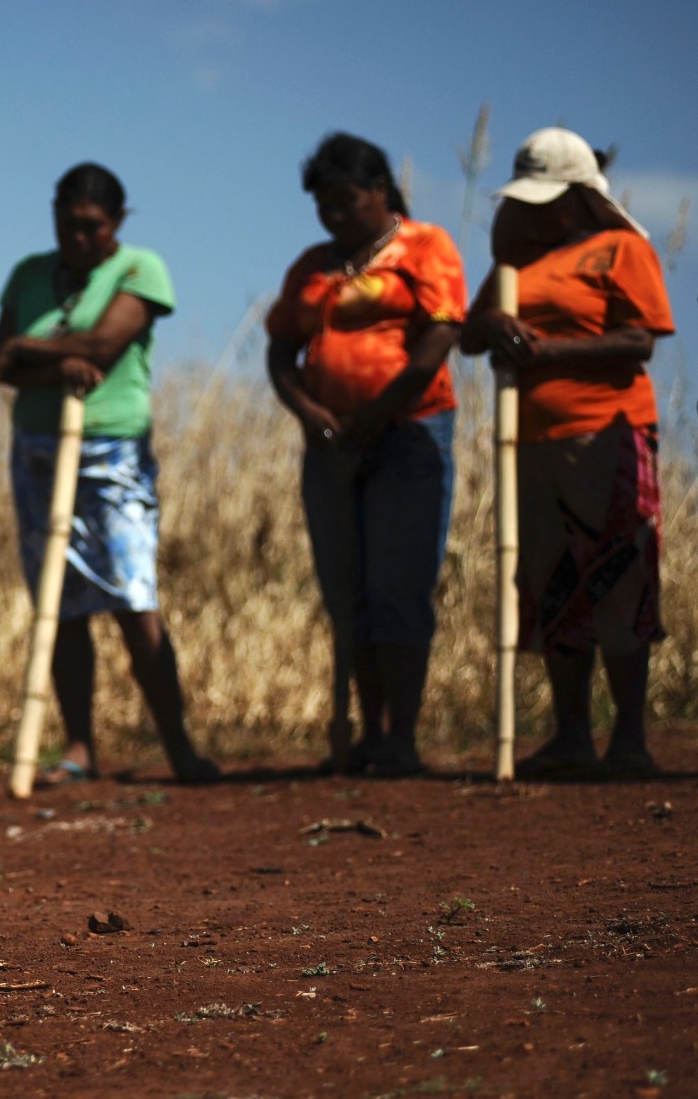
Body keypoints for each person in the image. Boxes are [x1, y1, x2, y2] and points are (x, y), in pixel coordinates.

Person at [0, 163, 218, 785]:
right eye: (67, 224)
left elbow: (102, 349)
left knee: (132, 594)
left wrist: (30, 351)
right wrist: (47, 361)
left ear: (116, 223)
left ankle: (178, 745)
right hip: (37, 445)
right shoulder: (29, 274)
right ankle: (79, 746)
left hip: (112, 448)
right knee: (57, 604)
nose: (78, 237)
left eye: (92, 226)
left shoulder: (141, 269)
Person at [460, 128, 675, 779]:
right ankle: (572, 733)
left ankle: (631, 738)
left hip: (607, 435)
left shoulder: (620, 248)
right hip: (530, 442)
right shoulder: (516, 263)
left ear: (582, 196)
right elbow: (470, 334)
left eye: (549, 198)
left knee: (619, 573)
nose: (538, 210)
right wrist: (495, 324)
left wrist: (546, 353)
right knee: (555, 581)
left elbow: (639, 340)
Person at [265, 133, 467, 777]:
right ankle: (369, 733)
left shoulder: (426, 247)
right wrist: (313, 414)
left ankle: (401, 737)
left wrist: (379, 415)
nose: (334, 214)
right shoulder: (311, 267)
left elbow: (439, 338)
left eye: (346, 200)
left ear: (380, 191)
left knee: (397, 585)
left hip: (408, 435)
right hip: (330, 446)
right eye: (323, 204)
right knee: (346, 588)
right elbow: (279, 351)